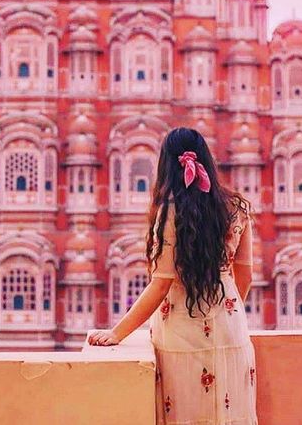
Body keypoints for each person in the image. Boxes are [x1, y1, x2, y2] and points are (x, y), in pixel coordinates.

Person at [88, 127, 258, 424]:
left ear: (165, 164)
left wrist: (117, 333)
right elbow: (245, 272)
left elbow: (161, 282)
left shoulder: (170, 212)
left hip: (182, 331)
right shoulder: (236, 207)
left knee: (187, 415)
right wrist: (229, 309)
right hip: (231, 328)